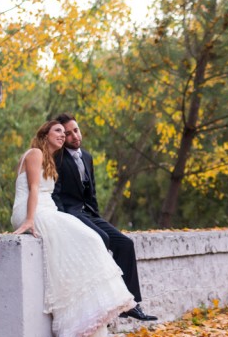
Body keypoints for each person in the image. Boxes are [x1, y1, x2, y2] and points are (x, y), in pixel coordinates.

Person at [11, 120, 137, 337]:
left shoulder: (50, 159)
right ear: (44, 134)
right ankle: (78, 321)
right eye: (58, 131)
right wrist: (28, 220)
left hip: (46, 210)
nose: (63, 135)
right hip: (33, 211)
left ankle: (87, 318)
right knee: (88, 239)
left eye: (65, 132)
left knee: (87, 241)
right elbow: (34, 189)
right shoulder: (35, 153)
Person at [52, 113, 157, 322]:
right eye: (68, 133)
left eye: (76, 130)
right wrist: (64, 221)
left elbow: (91, 194)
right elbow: (56, 193)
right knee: (102, 240)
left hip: (88, 213)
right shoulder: (57, 158)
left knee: (125, 244)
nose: (74, 136)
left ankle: (131, 304)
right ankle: (102, 308)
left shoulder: (87, 157)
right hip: (71, 214)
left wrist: (98, 217)